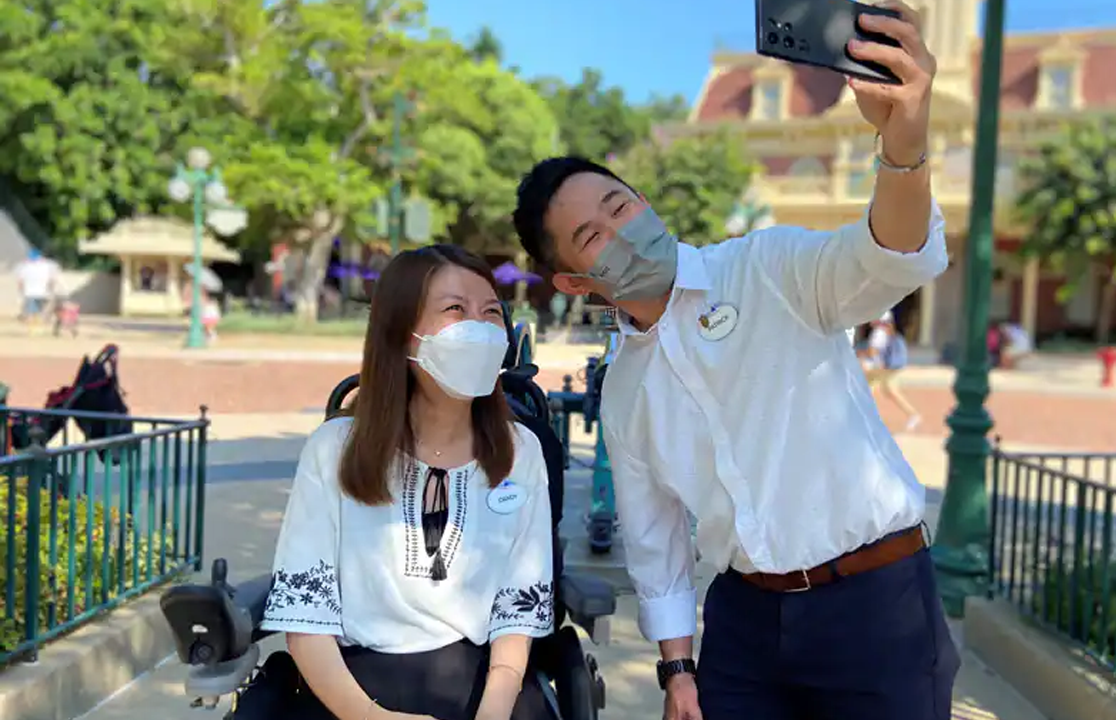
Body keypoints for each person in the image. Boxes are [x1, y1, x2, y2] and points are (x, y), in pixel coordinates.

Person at [511, 4, 958, 718]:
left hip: (876, 605)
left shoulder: (770, 267)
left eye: (620, 206)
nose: (621, 234)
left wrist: (903, 142)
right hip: (744, 623)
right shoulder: (625, 390)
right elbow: (654, 544)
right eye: (592, 237)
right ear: (572, 283)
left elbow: (890, 258)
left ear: (646, 201)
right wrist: (677, 669)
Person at [256, 245, 556, 720]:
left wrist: (494, 709)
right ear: (403, 335)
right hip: (349, 686)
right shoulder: (334, 449)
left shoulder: (522, 451)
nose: (478, 327)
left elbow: (516, 610)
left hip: (483, 680)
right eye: (455, 310)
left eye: (491, 312)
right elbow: (306, 619)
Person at [865, 312, 922, 431]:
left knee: (864, 390)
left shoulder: (879, 333)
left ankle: (865, 419)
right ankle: (913, 414)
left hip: (879, 368)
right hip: (887, 367)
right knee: (890, 390)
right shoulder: (888, 333)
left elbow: (872, 352)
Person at [16, 249, 56, 332]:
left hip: (29, 292)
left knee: (31, 312)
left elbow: (20, 281)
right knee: (41, 311)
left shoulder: (24, 266)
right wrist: (50, 291)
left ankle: (32, 329)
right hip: (43, 292)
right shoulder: (47, 265)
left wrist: (21, 291)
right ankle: (39, 328)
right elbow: (51, 280)